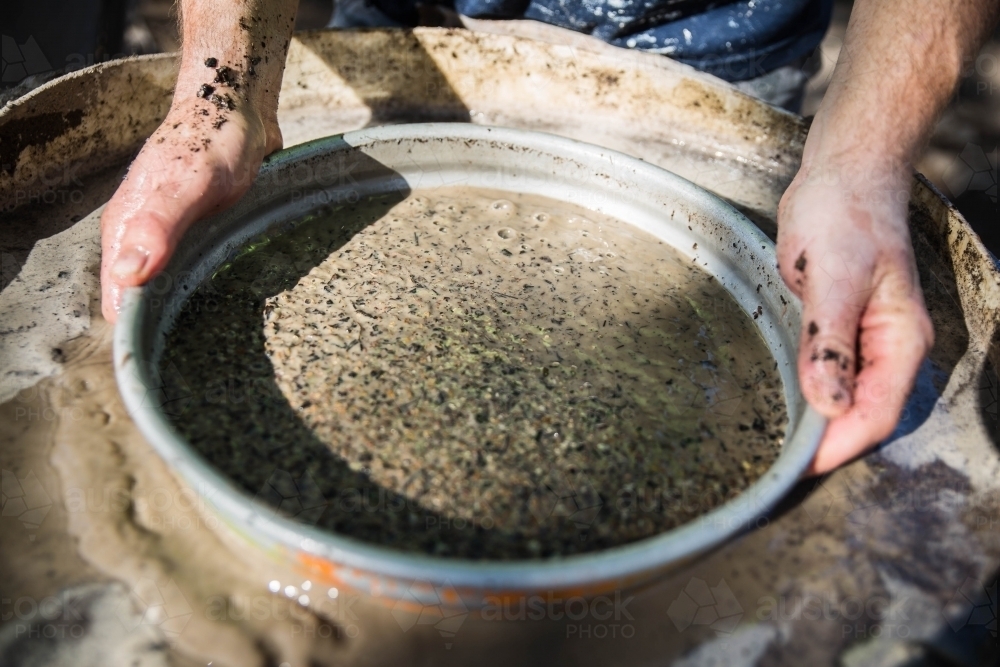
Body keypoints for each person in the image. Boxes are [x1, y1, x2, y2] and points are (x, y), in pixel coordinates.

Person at [98, 0, 999, 475]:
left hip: (709, 40)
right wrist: (220, 99)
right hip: (407, 22)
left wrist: (862, 159)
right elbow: (223, 92)